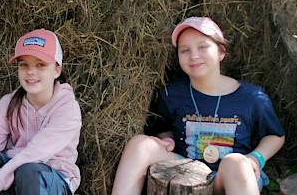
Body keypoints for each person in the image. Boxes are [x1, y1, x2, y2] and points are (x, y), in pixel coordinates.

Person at [111, 17, 285, 195]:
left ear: (221, 52)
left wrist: (256, 158)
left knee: (236, 162)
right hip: (186, 173)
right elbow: (163, 127)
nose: (194, 55)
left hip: (228, 177)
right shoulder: (172, 95)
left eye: (203, 47)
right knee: (139, 144)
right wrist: (168, 139)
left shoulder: (251, 97)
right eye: (184, 50)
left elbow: (275, 135)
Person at [0, 29, 82, 195]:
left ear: (57, 70)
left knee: (29, 171)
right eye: (23, 64)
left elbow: (33, 155)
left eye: (41, 64)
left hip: (51, 176)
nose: (31, 71)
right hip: (12, 171)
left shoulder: (67, 108)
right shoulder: (9, 103)